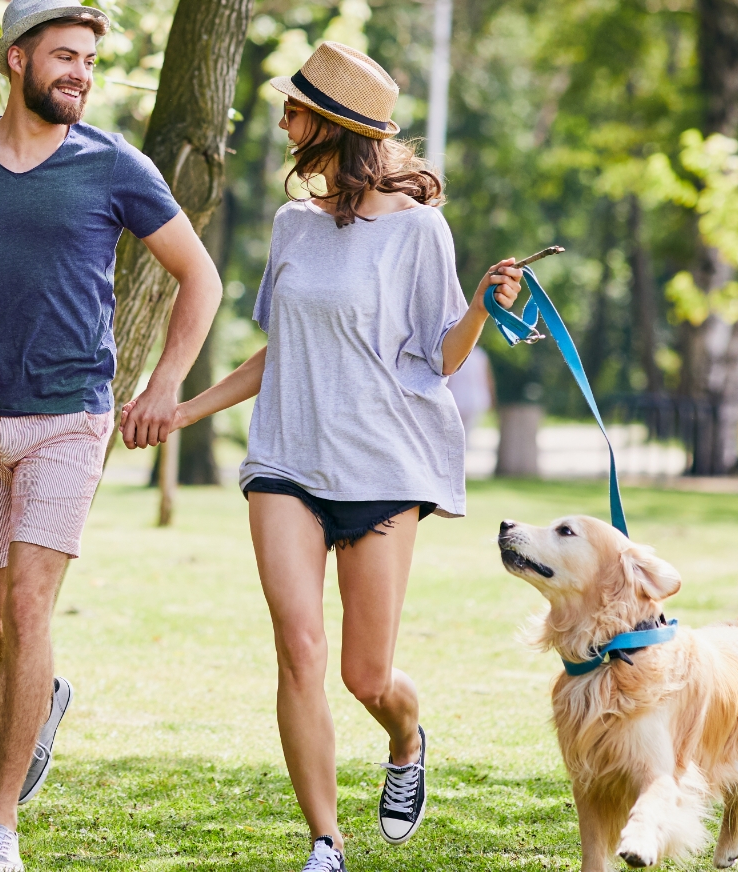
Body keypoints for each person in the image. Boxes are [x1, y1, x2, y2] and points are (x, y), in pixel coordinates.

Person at [125, 42, 521, 872]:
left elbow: (441, 358)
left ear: (335, 128)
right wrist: (185, 408)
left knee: (366, 675)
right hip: (287, 459)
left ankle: (407, 739)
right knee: (298, 647)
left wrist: (481, 305)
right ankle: (325, 844)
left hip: (384, 465)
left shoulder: (419, 232)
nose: (283, 121)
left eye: (296, 109)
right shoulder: (291, 225)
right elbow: (283, 351)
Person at [0, 0, 223, 867]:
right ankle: (46, 696)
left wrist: (161, 382)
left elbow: (200, 278)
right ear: (15, 60)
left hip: (70, 418)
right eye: (64, 56)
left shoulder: (114, 164)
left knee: (33, 607)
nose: (79, 72)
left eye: (87, 59)